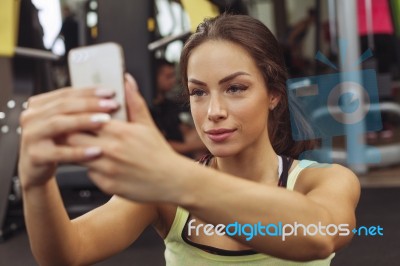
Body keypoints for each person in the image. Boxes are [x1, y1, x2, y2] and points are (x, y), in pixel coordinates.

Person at [19, 14, 360, 265]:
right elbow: (66, 252)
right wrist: (36, 182)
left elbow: (319, 236)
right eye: (198, 92)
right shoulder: (164, 195)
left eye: (235, 88)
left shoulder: (323, 181)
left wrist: (172, 174)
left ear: (273, 95)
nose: (213, 110)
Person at [151, 58, 206, 157]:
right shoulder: (150, 108)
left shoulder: (169, 104)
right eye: (168, 76)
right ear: (155, 77)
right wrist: (197, 145)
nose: (173, 80)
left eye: (173, 76)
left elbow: (182, 128)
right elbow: (161, 145)